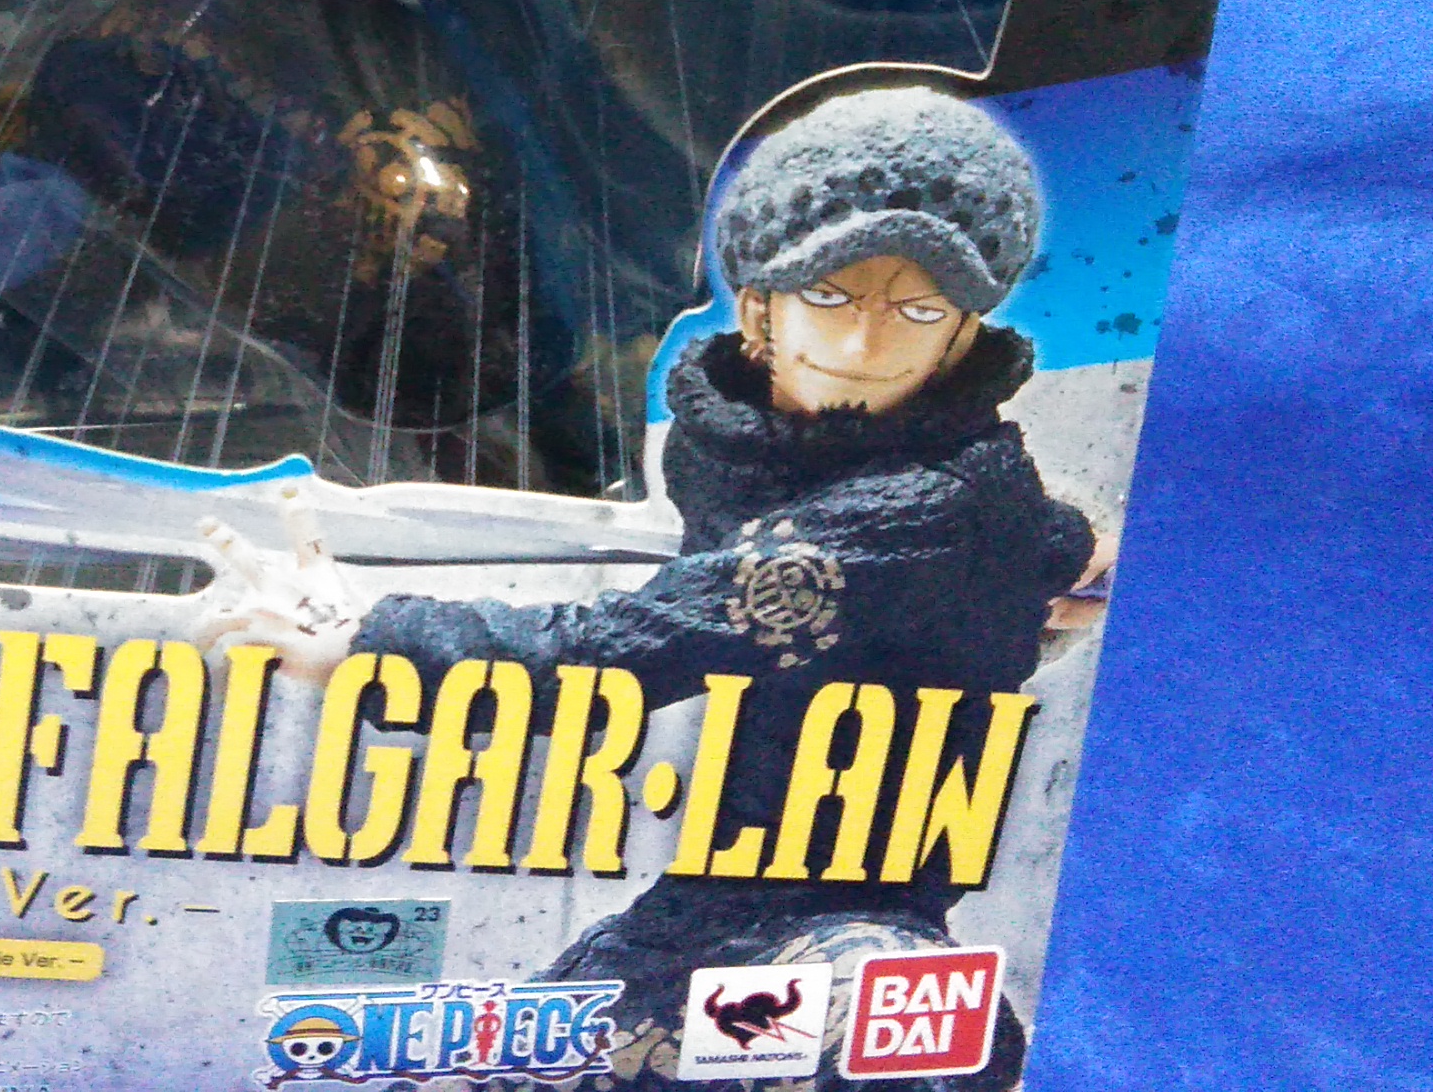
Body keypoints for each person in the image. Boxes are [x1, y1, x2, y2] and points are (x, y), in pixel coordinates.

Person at [195, 76, 1104, 1089]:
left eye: (919, 310)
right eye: (830, 294)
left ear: (960, 338)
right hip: (710, 900)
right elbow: (1030, 536)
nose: (862, 345)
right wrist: (1058, 562)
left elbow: (618, 657)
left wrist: (370, 639)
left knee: (901, 1038)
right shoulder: (755, 449)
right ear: (760, 306)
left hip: (851, 927)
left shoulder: (923, 503)